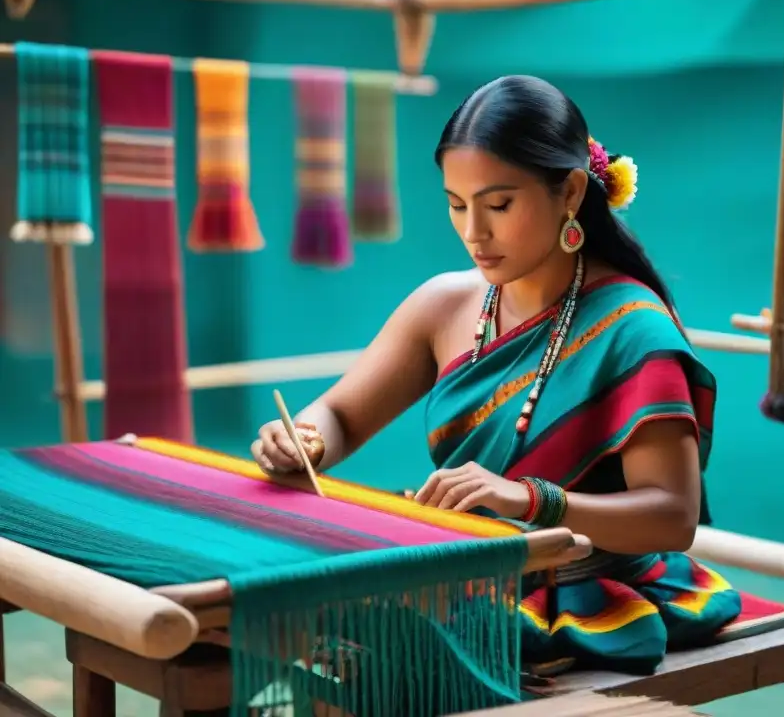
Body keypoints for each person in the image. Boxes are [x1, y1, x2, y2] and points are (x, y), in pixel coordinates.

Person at [251, 75, 741, 676]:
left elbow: (673, 516)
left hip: (583, 598)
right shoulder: (444, 305)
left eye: (498, 205)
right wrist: (305, 437)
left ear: (570, 192)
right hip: (462, 574)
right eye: (457, 205)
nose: (473, 233)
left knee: (359, 649)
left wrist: (529, 499)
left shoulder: (633, 329)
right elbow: (341, 416)